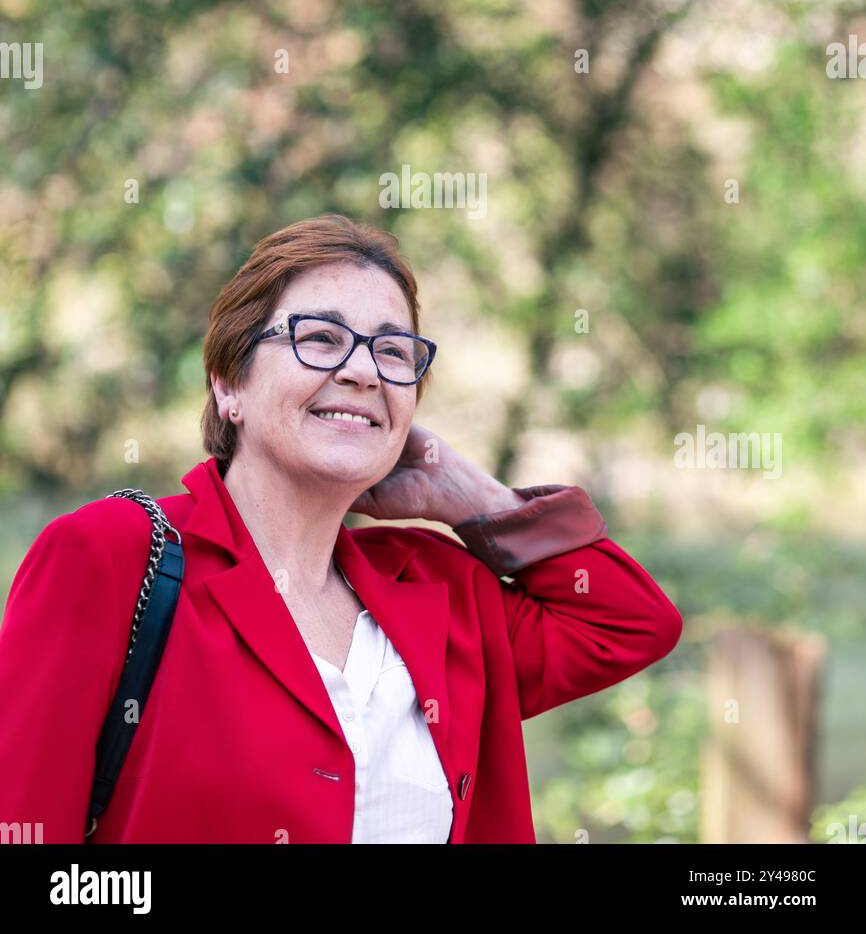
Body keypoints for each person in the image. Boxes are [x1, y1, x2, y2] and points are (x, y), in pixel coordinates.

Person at [0, 212, 683, 844]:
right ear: (228, 385)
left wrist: (475, 500)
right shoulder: (113, 556)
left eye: (392, 352)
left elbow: (628, 624)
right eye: (320, 338)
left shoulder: (442, 587)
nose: (360, 370)